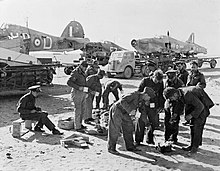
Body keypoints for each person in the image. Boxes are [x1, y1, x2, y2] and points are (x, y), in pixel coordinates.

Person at [163, 86, 214, 154]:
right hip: (195, 107)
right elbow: (179, 106)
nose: (172, 100)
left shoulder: (187, 94)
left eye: (171, 98)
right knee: (192, 126)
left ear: (175, 94)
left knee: (197, 127)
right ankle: (192, 145)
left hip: (202, 108)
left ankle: (195, 148)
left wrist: (191, 115)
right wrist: (174, 116)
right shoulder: (179, 93)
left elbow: (200, 106)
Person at [107, 88, 156, 155]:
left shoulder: (142, 101)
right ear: (145, 94)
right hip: (117, 109)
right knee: (114, 129)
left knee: (129, 128)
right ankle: (111, 148)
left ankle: (130, 146)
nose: (149, 99)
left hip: (126, 113)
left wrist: (147, 123)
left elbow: (142, 113)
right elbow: (122, 101)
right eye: (149, 97)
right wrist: (130, 110)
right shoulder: (134, 94)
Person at [135, 70, 164, 145]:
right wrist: (142, 101)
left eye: (159, 81)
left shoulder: (160, 83)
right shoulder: (145, 81)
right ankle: (138, 140)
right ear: (153, 76)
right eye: (156, 80)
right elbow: (138, 92)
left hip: (153, 105)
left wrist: (161, 106)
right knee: (141, 121)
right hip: (143, 104)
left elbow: (161, 94)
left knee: (154, 122)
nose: (157, 82)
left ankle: (149, 138)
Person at [67, 60, 88, 132]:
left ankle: (80, 124)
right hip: (77, 92)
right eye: (85, 67)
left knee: (83, 109)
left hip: (83, 92)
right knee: (78, 109)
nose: (85, 69)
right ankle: (77, 127)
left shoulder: (82, 72)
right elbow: (69, 82)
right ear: (81, 66)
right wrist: (78, 87)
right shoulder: (75, 72)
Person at [164, 70, 184, 143]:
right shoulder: (167, 82)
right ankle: (167, 138)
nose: (170, 79)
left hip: (177, 104)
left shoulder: (180, 83)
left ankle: (174, 138)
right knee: (167, 121)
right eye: (169, 77)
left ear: (175, 76)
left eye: (171, 78)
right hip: (169, 103)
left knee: (175, 121)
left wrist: (179, 110)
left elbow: (181, 97)